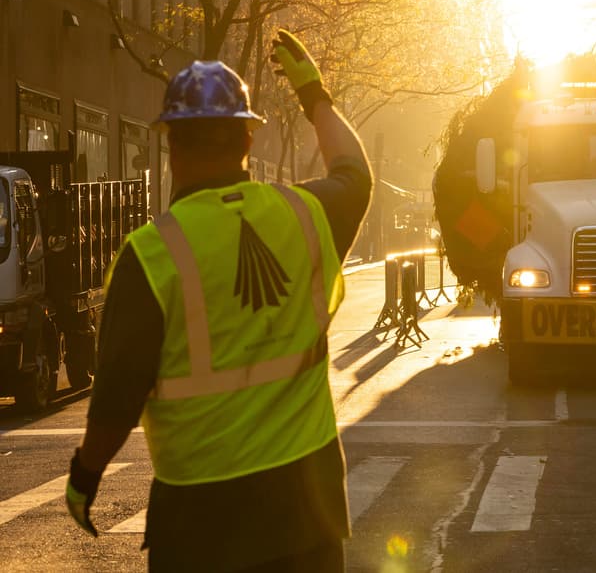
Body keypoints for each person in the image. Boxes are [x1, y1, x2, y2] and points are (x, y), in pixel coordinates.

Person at [64, 30, 373, 571]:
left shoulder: (151, 255)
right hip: (307, 511)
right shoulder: (306, 216)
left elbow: (116, 398)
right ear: (248, 141)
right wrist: (314, 95)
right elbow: (354, 173)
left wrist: (84, 478)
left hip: (200, 522)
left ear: (171, 144)